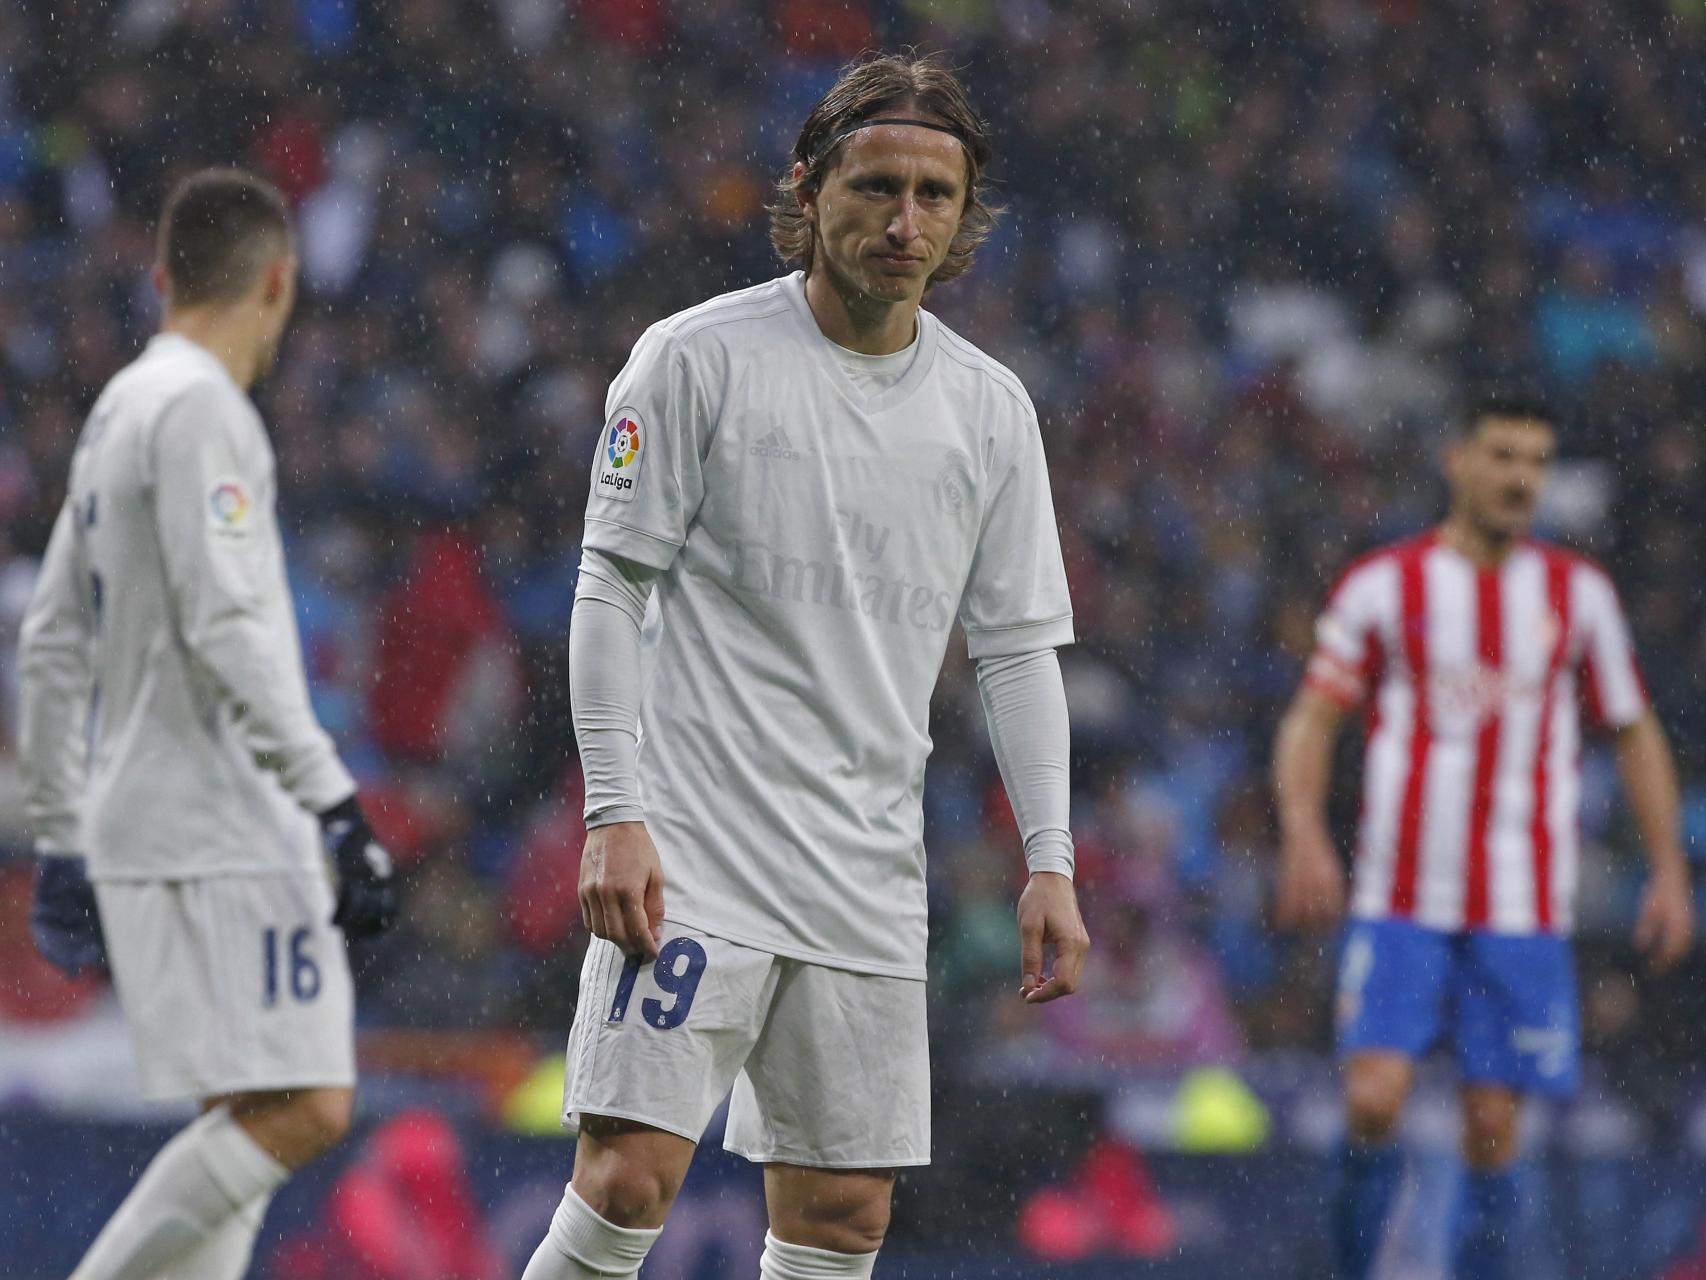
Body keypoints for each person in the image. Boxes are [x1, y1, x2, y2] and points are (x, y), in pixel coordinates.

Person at [523, 52, 1090, 1280]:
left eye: (934, 195)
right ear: (808, 187)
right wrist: (613, 810)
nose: (903, 223)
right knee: (625, 1177)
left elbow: (1013, 650)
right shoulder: (694, 358)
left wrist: (1048, 857)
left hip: (863, 865)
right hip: (696, 846)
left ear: (964, 214)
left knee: (839, 1215)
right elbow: (610, 585)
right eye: (875, 186)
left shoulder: (989, 409)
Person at [19, 167, 398, 1280]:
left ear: (160, 277)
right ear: (278, 282)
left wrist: (62, 830)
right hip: (223, 822)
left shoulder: (118, 412)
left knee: (246, 1116)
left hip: (144, 819)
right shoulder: (201, 411)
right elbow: (229, 626)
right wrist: (332, 798)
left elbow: (51, 638)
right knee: (310, 1105)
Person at [1271, 390, 1695, 1280]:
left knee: (1494, 1126)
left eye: (1536, 461)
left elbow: (1634, 729)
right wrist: (1303, 827)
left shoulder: (1577, 596)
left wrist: (1667, 868)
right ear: (1457, 461)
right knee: (1373, 1098)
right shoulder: (1385, 585)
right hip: (1399, 897)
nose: (1520, 478)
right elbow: (1315, 715)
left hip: (1520, 906)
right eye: (1503, 456)